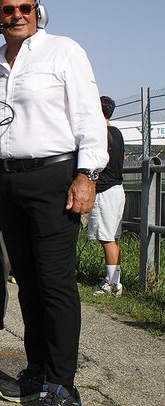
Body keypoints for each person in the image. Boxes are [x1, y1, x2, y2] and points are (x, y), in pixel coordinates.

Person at [0, 0, 107, 406]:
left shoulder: (63, 51)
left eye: (25, 8)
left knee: (55, 284)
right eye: (8, 10)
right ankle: (37, 373)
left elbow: (89, 116)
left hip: (55, 177)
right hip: (10, 180)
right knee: (28, 283)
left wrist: (87, 173)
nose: (17, 15)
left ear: (39, 12)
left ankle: (63, 387)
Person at [89, 96, 126, 297]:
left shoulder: (100, 134)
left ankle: (113, 284)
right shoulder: (116, 132)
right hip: (117, 190)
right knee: (113, 238)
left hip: (105, 191)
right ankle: (114, 280)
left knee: (107, 239)